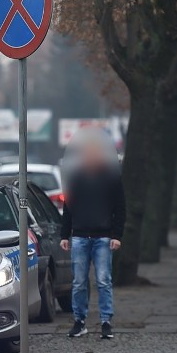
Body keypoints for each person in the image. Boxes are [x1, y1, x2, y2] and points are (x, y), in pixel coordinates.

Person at [59, 140, 126, 339]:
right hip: (79, 236)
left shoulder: (112, 179)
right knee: (79, 282)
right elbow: (68, 209)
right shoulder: (76, 179)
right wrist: (65, 234)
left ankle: (106, 321)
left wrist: (117, 235)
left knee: (104, 281)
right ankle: (79, 321)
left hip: (103, 237)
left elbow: (120, 209)